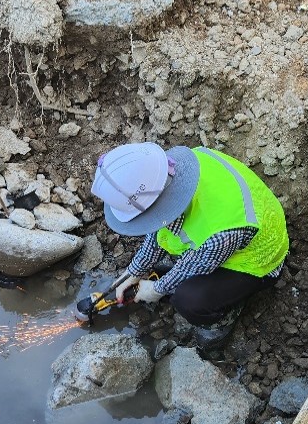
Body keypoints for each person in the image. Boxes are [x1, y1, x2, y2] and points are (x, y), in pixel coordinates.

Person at [89, 142, 289, 347]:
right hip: (231, 235)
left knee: (189, 300)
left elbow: (193, 264)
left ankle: (222, 321)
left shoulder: (219, 233)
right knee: (165, 269)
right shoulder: (170, 174)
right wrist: (134, 271)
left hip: (260, 259)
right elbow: (158, 230)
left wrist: (158, 288)